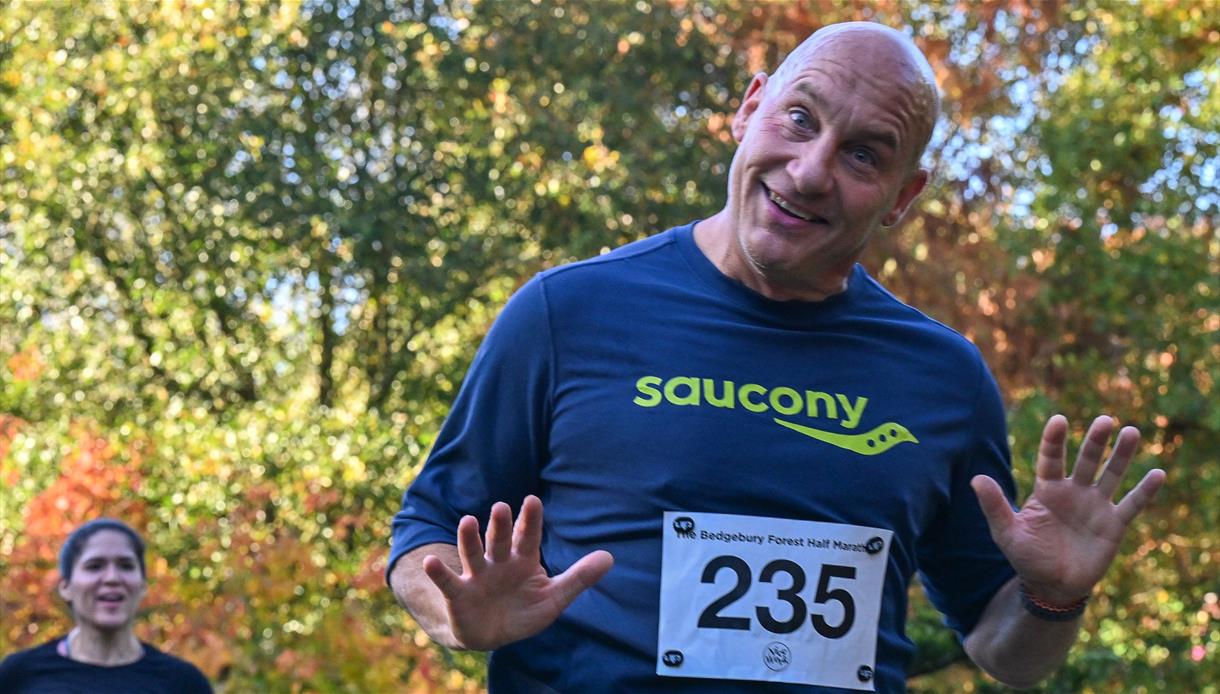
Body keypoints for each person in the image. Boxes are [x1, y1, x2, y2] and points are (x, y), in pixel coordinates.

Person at [387, 21, 1166, 692]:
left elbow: (1004, 651)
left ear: (903, 196)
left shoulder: (945, 380)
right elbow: (425, 528)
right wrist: (455, 615)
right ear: (749, 108)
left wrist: (1054, 597)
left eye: (865, 155)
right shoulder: (566, 313)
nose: (812, 170)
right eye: (799, 119)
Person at [0, 518, 213, 694]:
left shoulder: (183, 683)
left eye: (126, 566)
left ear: (142, 586)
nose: (112, 578)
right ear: (65, 587)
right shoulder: (18, 675)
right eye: (94, 566)